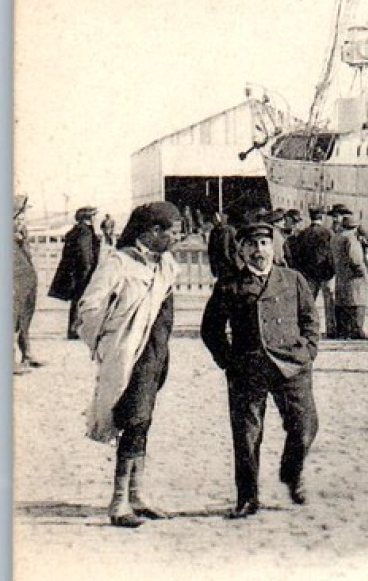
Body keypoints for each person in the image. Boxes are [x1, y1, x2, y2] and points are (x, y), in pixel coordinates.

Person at [199, 221, 320, 519]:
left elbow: (310, 319)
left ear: (273, 247)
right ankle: (247, 497)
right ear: (241, 250)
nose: (259, 251)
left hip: (292, 365)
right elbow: (210, 329)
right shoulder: (230, 286)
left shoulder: (292, 280)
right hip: (248, 368)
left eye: (264, 244)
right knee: (247, 435)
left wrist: (308, 351)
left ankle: (291, 473)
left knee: (305, 427)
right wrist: (229, 361)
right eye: (251, 245)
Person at [76, 202, 183, 528]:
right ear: (153, 232)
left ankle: (137, 496)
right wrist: (108, 343)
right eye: (173, 232)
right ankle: (119, 502)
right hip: (129, 356)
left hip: (156, 355)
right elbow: (88, 308)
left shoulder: (166, 265)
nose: (178, 238)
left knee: (143, 420)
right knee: (134, 419)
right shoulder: (117, 263)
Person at [48, 206, 100, 340]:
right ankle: (74, 330)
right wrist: (88, 270)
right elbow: (85, 253)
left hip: (75, 272)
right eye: (93, 215)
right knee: (80, 300)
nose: (95, 218)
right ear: (88, 217)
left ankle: (74, 329)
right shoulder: (85, 232)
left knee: (77, 300)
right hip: (83, 273)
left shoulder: (76, 230)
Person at [287, 206, 336, 338]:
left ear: (311, 217)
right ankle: (331, 329)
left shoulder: (303, 234)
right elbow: (332, 254)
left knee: (309, 302)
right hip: (326, 272)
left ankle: (309, 329)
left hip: (308, 273)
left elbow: (298, 254)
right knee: (329, 302)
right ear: (322, 217)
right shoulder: (328, 233)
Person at [330, 205, 368, 339]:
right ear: (355, 227)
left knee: (342, 302)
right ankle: (356, 330)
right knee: (356, 300)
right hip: (353, 276)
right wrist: (361, 271)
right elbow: (356, 259)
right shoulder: (351, 239)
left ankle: (343, 330)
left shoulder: (336, 237)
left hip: (341, 274)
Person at [14, 200, 40, 371]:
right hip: (14, 284)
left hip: (27, 283)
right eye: (18, 219)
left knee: (24, 318)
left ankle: (26, 354)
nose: (22, 222)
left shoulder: (22, 235)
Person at [206, 210, 237, 279]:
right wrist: (213, 265)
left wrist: (234, 260)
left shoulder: (230, 230)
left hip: (230, 265)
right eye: (214, 219)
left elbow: (236, 247)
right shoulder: (213, 232)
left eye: (216, 219)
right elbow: (211, 250)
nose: (215, 221)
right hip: (218, 265)